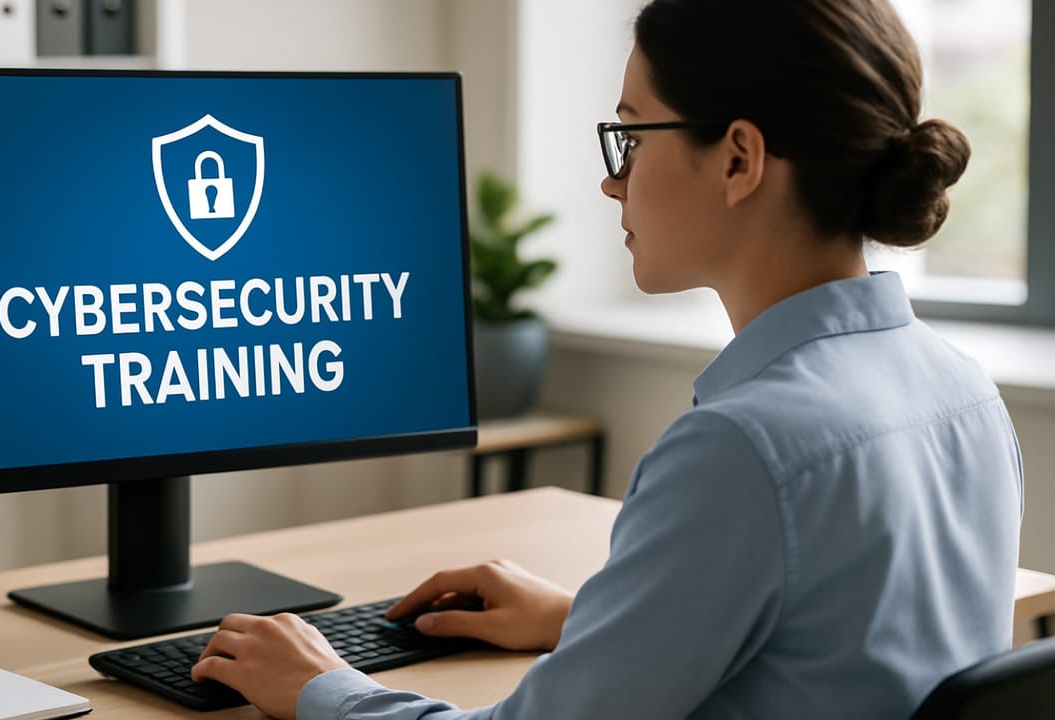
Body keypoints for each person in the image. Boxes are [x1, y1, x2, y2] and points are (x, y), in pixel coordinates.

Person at [190, 0, 1025, 717]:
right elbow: (830, 649)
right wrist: (587, 616)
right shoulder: (962, 391)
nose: (612, 183)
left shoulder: (746, 448)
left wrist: (318, 685)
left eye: (631, 138)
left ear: (739, 159)